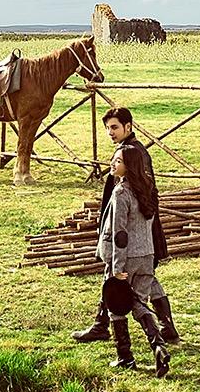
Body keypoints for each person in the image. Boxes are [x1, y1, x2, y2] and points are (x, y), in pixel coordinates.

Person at [71, 107, 174, 375]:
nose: (110, 133)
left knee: (117, 293)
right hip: (142, 248)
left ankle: (125, 354)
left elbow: (120, 234)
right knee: (139, 296)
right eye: (107, 128)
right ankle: (160, 340)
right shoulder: (137, 175)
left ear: (128, 126)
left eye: (114, 127)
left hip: (126, 245)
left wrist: (116, 261)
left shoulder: (133, 157)